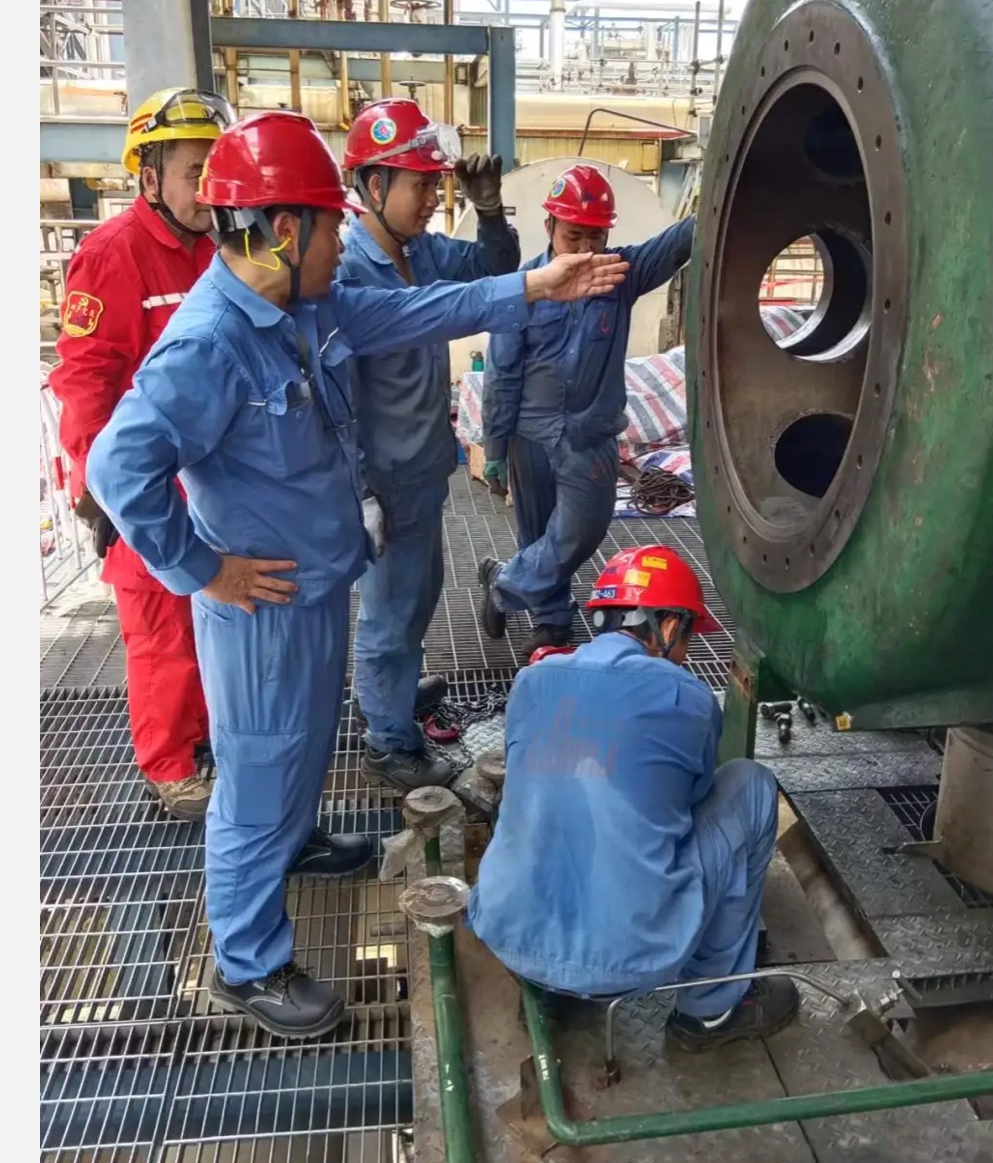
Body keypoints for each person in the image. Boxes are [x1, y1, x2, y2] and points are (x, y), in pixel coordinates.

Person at [87, 113, 626, 1039]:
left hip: (315, 587)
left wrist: (539, 282)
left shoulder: (308, 309)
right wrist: (202, 568)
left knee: (299, 745)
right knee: (257, 773)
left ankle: (296, 842)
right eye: (331, 226)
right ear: (282, 230)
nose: (343, 243)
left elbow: (430, 310)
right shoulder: (211, 343)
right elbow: (117, 466)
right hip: (260, 610)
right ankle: (247, 963)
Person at [466, 542, 795, 1039]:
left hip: (510, 937)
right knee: (751, 785)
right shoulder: (688, 697)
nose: (686, 653)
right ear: (669, 626)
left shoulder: (532, 680)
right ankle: (711, 1008)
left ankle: (550, 986)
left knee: (543, 791)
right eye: (688, 637)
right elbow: (692, 798)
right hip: (633, 959)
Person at [51, 84, 225, 811]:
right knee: (161, 635)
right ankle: (170, 768)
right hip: (145, 488)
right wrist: (101, 491)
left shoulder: (216, 247)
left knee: (204, 623)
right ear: (149, 178)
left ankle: (204, 738)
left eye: (216, 169)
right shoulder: (112, 256)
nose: (208, 188)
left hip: (207, 484)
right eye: (194, 172)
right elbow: (85, 380)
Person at [335, 99, 520, 775]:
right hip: (384, 480)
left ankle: (392, 691)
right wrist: (359, 491)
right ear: (374, 185)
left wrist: (490, 211)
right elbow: (337, 400)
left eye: (437, 185)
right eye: (420, 184)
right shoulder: (347, 271)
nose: (433, 199)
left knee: (417, 596)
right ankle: (389, 744)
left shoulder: (423, 253)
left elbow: (496, 271)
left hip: (422, 469)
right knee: (390, 613)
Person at [479, 160, 695, 648]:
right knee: (538, 531)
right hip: (531, 435)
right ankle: (552, 619)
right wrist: (494, 447)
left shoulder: (620, 275)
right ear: (549, 226)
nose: (583, 249)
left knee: (582, 528)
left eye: (594, 237)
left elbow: (679, 242)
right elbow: (501, 373)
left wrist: (729, 186)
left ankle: (503, 584)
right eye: (573, 235)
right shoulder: (524, 288)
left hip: (590, 435)